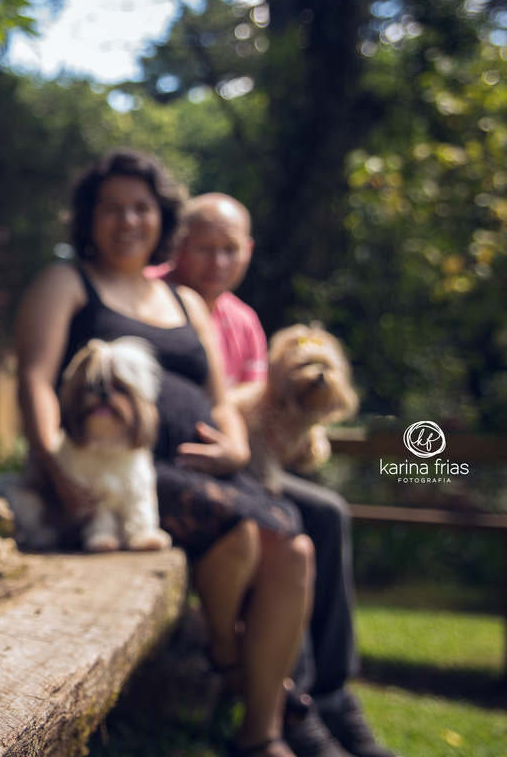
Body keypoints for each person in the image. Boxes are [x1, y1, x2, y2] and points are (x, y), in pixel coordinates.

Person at [15, 150, 314, 757]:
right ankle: (228, 657)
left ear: (162, 218)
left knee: (296, 550)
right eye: (112, 208)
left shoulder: (185, 301)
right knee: (243, 533)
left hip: (207, 466)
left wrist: (234, 443)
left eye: (141, 208)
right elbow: (36, 380)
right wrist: (53, 462)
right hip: (128, 468)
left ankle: (262, 730)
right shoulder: (65, 283)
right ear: (88, 217)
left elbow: (220, 398)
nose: (128, 220)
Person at [165, 194, 395, 757]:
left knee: (329, 511)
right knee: (288, 517)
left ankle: (333, 692)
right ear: (179, 245)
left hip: (242, 461)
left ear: (248, 251)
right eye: (205, 248)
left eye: (230, 249)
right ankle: (296, 705)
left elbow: (262, 402)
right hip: (186, 466)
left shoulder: (243, 320)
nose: (218, 261)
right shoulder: (155, 299)